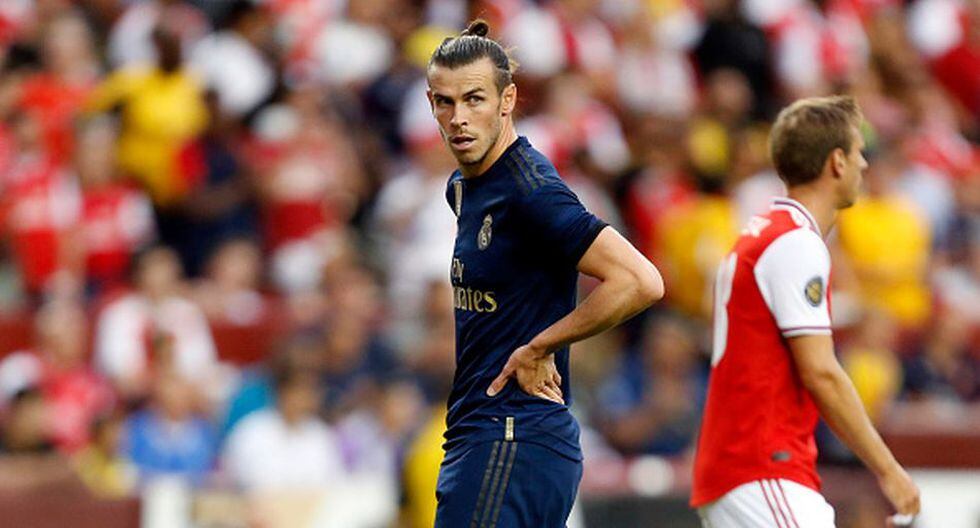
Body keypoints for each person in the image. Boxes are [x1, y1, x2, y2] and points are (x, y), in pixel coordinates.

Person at [426, 20, 664, 527]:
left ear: (507, 99)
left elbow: (640, 280)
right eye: (445, 102)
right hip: (486, 436)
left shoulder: (531, 190)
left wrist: (541, 346)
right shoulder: (464, 188)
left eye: (474, 99)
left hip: (512, 435)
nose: (458, 118)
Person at [691, 96, 920, 527]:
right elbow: (821, 371)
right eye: (859, 152)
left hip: (744, 469)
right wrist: (888, 469)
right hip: (764, 464)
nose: (864, 165)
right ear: (837, 161)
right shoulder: (796, 242)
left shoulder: (762, 233)